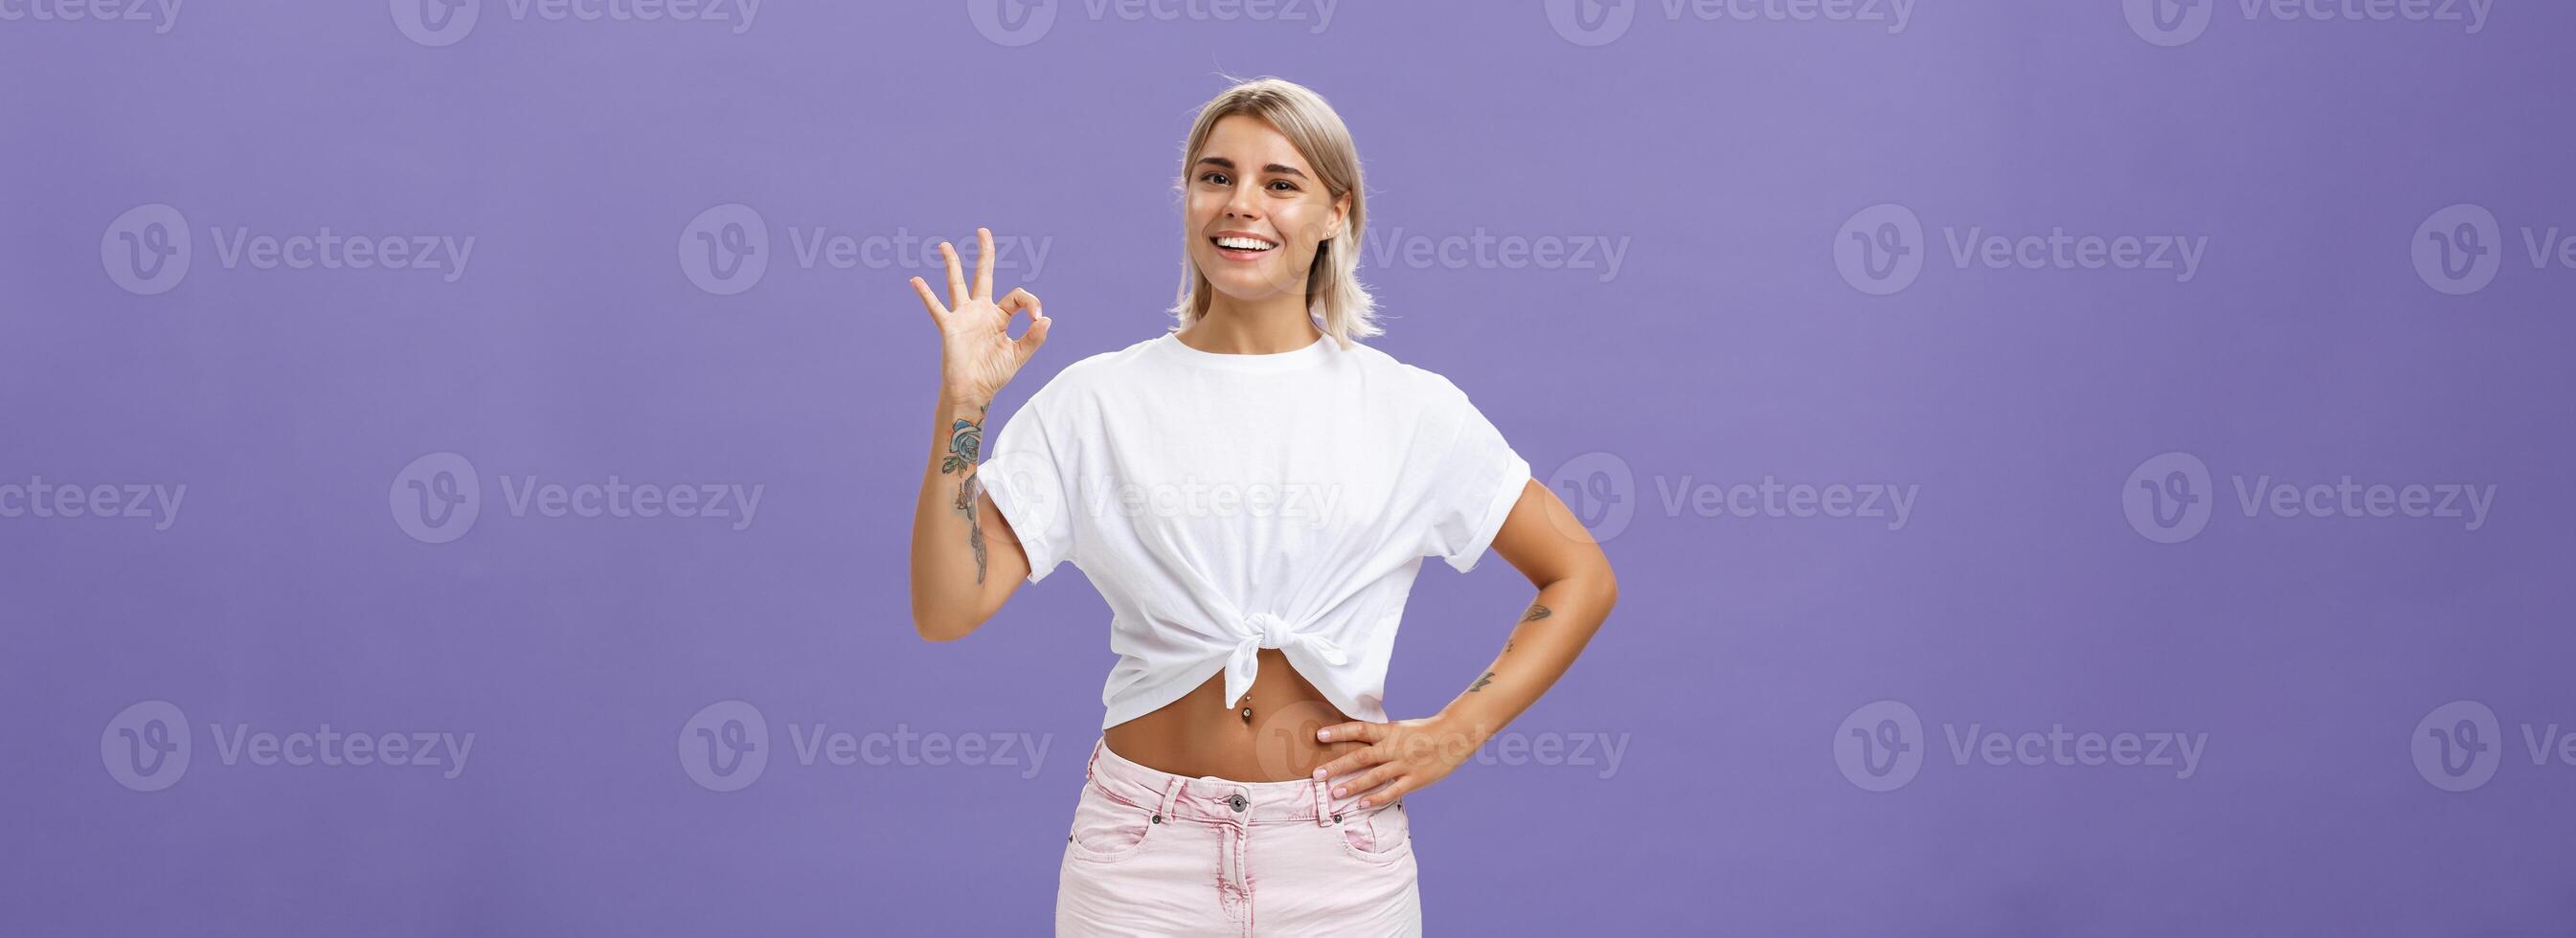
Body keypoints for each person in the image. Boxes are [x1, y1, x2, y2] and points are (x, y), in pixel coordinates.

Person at [905, 76, 1618, 936]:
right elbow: (948, 609)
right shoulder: (1096, 401)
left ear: (1335, 214)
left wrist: (1456, 733)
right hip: (1140, 858)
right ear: (1188, 198)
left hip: (1337, 863)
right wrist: (965, 409)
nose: (1241, 204)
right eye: (1216, 177)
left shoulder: (1410, 408)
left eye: (1281, 183)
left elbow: (1579, 573)